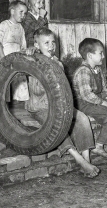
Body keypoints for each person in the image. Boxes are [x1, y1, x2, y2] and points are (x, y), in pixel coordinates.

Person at [26, 27, 100, 178]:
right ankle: (79, 159)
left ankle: (87, 159)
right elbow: (38, 90)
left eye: (53, 42)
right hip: (39, 107)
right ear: (36, 45)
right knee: (58, 125)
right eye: (46, 43)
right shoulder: (33, 60)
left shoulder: (58, 64)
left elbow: (63, 88)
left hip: (57, 105)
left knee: (82, 118)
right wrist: (28, 51)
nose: (51, 46)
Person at [0, 0, 33, 101]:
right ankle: (3, 101)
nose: (23, 15)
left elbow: (23, 45)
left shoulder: (21, 28)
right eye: (21, 12)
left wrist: (25, 53)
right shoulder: (4, 24)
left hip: (17, 54)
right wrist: (3, 58)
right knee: (5, 79)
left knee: (19, 77)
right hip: (6, 54)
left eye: (25, 13)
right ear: (12, 11)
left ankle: (21, 100)